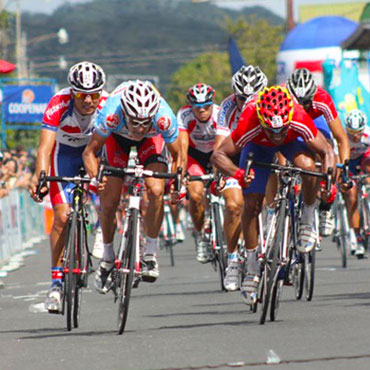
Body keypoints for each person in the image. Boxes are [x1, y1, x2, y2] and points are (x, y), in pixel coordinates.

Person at [211, 86, 335, 305]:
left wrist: (328, 179)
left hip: (292, 142)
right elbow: (218, 154)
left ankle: (307, 219)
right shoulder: (250, 120)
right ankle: (251, 269)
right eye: (272, 131)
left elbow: (327, 151)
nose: (276, 136)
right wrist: (238, 174)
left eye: (281, 129)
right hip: (257, 146)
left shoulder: (297, 116)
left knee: (308, 166)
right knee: (251, 204)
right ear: (261, 120)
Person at [83, 79, 182, 292]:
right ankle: (108, 257)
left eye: (144, 122)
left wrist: (175, 184)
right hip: (117, 141)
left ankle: (150, 253)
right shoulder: (111, 113)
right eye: (134, 122)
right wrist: (94, 179)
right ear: (125, 114)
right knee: (108, 203)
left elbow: (177, 154)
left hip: (151, 143)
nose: (139, 128)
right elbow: (89, 152)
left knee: (156, 191)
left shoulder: (163, 118)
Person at [30, 61, 108, 313]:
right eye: (82, 95)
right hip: (63, 156)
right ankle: (55, 284)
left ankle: (99, 228)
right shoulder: (59, 103)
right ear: (72, 92)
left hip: (95, 154)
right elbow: (44, 148)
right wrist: (40, 177)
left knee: (110, 193)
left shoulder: (108, 105)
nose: (88, 100)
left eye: (94, 94)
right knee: (62, 217)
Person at [215, 65, 267, 291]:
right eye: (241, 98)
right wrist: (220, 175)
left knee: (262, 204)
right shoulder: (227, 107)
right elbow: (220, 146)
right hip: (235, 155)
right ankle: (233, 259)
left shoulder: (270, 102)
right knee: (235, 205)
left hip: (260, 152)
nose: (245, 103)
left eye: (251, 98)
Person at [286, 68, 350, 237]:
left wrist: (344, 172)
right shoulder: (283, 98)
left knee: (328, 150)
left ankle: (325, 205)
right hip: (292, 124)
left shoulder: (322, 99)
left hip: (316, 122)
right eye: (297, 102)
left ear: (312, 96)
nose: (302, 106)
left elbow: (341, 139)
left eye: (306, 102)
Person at [177, 83, 220, 263]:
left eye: (206, 106)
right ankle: (202, 234)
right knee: (195, 196)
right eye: (198, 107)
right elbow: (182, 150)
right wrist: (181, 177)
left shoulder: (219, 114)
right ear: (191, 107)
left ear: (212, 104)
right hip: (195, 156)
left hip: (217, 153)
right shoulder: (184, 115)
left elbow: (222, 146)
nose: (202, 111)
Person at [342, 109, 370, 258]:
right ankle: (357, 237)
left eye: (358, 132)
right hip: (348, 163)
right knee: (352, 198)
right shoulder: (342, 138)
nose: (355, 135)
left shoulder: (368, 135)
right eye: (351, 132)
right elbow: (338, 161)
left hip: (363, 160)